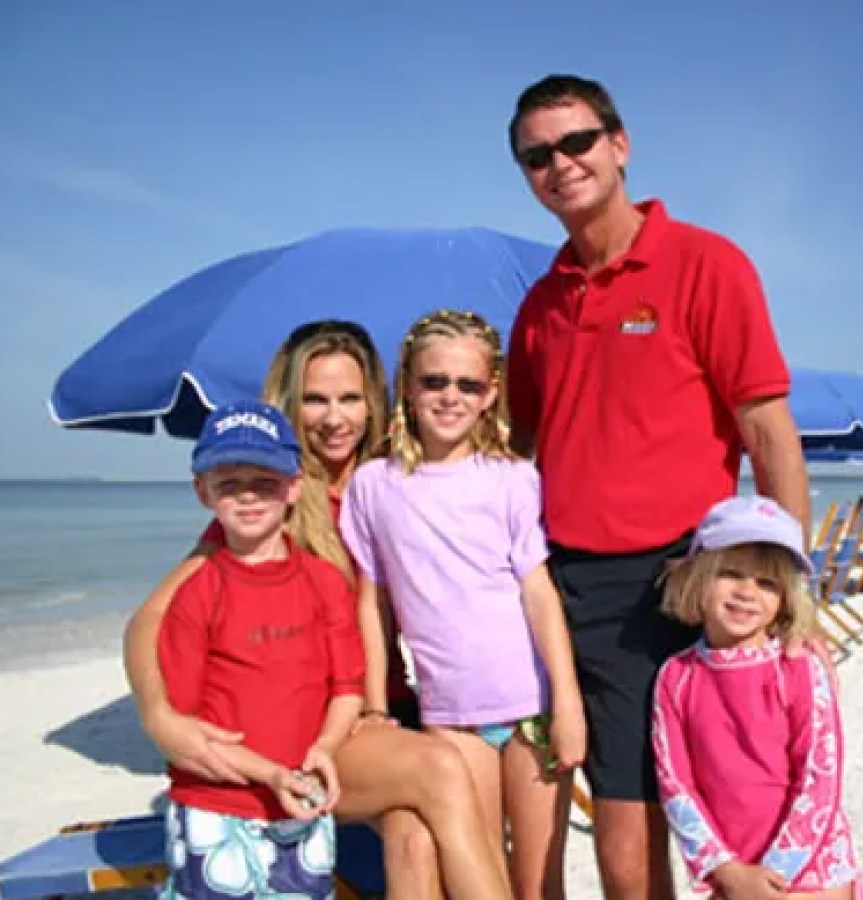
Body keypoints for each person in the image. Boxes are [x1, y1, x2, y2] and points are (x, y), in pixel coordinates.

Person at [506, 74, 812, 899]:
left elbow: (768, 432)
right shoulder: (538, 306)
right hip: (585, 588)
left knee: (747, 826)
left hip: (697, 574)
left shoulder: (706, 263)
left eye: (576, 142)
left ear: (619, 143)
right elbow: (516, 453)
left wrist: (794, 590)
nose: (560, 164)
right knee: (626, 842)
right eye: (537, 155)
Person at [123, 320, 513, 900]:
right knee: (440, 772)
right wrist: (159, 717)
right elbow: (147, 621)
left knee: (416, 838)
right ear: (290, 403)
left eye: (350, 398)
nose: (335, 418)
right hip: (315, 730)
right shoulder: (273, 498)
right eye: (315, 399)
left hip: (390, 712)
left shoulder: (397, 483)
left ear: (374, 402)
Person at [340, 309, 587, 900]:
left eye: (467, 385)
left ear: (489, 396)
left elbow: (537, 591)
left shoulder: (512, 479)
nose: (450, 397)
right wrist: (375, 706)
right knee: (480, 878)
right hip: (452, 720)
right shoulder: (373, 486)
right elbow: (372, 606)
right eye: (435, 382)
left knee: (539, 885)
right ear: (407, 386)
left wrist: (568, 702)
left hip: (533, 709)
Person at [157, 400, 364, 900]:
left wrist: (325, 748)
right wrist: (269, 773)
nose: (248, 497)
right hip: (214, 805)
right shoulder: (196, 593)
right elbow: (186, 726)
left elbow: (348, 689)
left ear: (294, 487)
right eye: (229, 484)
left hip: (303, 799)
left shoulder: (324, 583)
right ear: (203, 492)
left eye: (265, 483)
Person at [652, 495, 863, 900]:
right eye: (731, 574)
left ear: (785, 596)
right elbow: (675, 783)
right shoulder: (676, 677)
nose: (748, 592)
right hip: (732, 868)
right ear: (698, 577)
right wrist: (726, 870)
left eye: (767, 583)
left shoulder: (797, 668)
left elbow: (820, 777)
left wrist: (775, 873)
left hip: (811, 868)